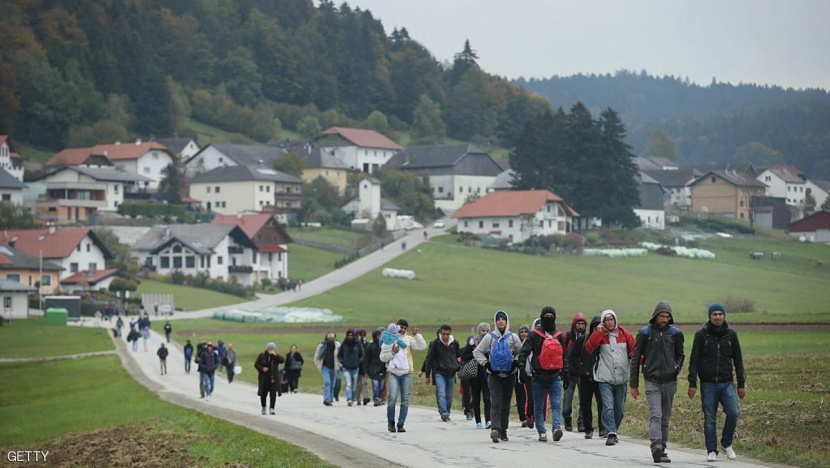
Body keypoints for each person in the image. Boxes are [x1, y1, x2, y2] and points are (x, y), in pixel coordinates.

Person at [688, 302, 746, 462]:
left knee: (733, 413)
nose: (718, 317)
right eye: (715, 314)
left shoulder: (731, 335)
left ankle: (727, 444)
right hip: (708, 384)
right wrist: (692, 383)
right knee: (710, 418)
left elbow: (738, 360)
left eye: (720, 314)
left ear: (724, 316)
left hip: (727, 383)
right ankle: (711, 450)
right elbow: (695, 360)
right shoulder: (701, 335)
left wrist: (741, 384)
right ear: (710, 316)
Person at [630, 301, 685, 464]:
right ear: (655, 316)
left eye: (667, 316)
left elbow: (680, 355)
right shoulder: (645, 333)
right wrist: (633, 384)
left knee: (665, 418)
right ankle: (656, 447)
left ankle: (662, 447)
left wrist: (676, 369)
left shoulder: (675, 333)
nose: (664, 319)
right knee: (656, 414)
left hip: (669, 381)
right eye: (662, 316)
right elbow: (635, 358)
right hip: (651, 380)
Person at [585, 309, 635, 447]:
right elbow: (589, 347)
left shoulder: (624, 334)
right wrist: (597, 332)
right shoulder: (600, 334)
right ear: (603, 322)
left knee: (619, 410)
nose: (610, 322)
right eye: (607, 320)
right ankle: (611, 432)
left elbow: (634, 351)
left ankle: (612, 429)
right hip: (604, 378)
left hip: (622, 378)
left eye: (612, 319)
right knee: (608, 407)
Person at [518, 306, 568, 443]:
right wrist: (565, 374)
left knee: (541, 406)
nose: (549, 318)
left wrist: (522, 370)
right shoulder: (558, 335)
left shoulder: (534, 335)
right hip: (552, 376)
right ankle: (551, 428)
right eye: (547, 316)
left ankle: (546, 431)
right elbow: (565, 357)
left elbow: (523, 353)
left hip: (540, 376)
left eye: (550, 316)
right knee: (553, 405)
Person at [475, 310, 523, 443]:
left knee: (506, 404)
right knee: (495, 402)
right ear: (495, 322)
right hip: (493, 376)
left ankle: (504, 431)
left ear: (507, 321)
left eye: (503, 319)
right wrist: (486, 364)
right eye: (498, 319)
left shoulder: (513, 337)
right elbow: (477, 351)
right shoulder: (489, 337)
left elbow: (521, 352)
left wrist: (515, 363)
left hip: (510, 375)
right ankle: (495, 429)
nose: (501, 321)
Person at [380, 320, 427, 433]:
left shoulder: (409, 340)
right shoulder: (389, 339)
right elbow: (382, 357)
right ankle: (391, 422)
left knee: (405, 400)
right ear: (397, 327)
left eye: (405, 328)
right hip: (393, 373)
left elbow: (422, 346)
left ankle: (401, 424)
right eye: (401, 327)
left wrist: (417, 335)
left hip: (407, 373)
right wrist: (392, 352)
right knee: (392, 398)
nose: (403, 330)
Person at [568, 315, 605, 440]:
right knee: (585, 405)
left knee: (603, 405)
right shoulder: (583, 340)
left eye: (599, 327)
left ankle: (602, 428)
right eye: (595, 327)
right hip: (585, 378)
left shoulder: (605, 341)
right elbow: (572, 356)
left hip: (601, 378)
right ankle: (588, 429)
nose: (597, 329)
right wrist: (580, 370)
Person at [424, 324, 461, 422]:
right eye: (443, 334)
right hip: (439, 372)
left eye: (447, 334)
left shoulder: (455, 343)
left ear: (450, 334)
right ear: (440, 333)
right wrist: (427, 375)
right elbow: (429, 359)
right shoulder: (435, 344)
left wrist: (459, 369)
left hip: (451, 372)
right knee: (441, 393)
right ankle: (443, 412)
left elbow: (458, 357)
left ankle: (447, 412)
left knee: (449, 395)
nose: (445, 336)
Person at [462, 323, 492, 429]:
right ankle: (478, 421)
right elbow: (464, 355)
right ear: (479, 331)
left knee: (487, 398)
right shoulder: (473, 342)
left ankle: (488, 420)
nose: (485, 333)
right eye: (483, 330)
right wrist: (475, 354)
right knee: (476, 398)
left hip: (487, 374)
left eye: (487, 331)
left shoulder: (492, 341)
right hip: (475, 374)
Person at [563, 313, 588, 432]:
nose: (581, 326)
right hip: (569, 373)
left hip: (582, 373)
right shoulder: (566, 337)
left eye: (583, 324)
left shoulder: (587, 338)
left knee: (583, 400)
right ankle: (567, 419)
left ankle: (581, 422)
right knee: (567, 399)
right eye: (579, 323)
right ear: (574, 324)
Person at [255, 342, 285, 415]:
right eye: (270, 349)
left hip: (273, 379)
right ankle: (264, 407)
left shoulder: (276, 357)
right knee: (263, 394)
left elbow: (282, 360)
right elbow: (256, 364)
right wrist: (262, 368)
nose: (271, 350)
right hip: (264, 379)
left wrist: (276, 355)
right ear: (267, 349)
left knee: (273, 394)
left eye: (273, 349)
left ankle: (272, 408)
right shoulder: (262, 355)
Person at [337, 328, 364, 406]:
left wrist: (358, 362)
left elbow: (362, 355)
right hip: (346, 368)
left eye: (351, 335)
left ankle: (352, 398)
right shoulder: (344, 344)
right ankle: (349, 398)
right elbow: (339, 355)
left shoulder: (357, 344)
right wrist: (343, 362)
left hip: (355, 368)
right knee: (348, 383)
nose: (350, 337)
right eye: (348, 335)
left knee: (354, 385)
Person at [314, 331, 341, 406]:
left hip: (334, 366)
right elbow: (317, 355)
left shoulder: (338, 345)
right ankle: (326, 399)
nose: (331, 339)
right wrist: (317, 363)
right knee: (327, 382)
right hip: (325, 366)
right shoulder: (322, 345)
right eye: (329, 338)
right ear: (327, 338)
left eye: (332, 338)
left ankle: (330, 398)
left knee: (332, 383)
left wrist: (339, 364)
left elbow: (341, 355)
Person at [514, 324, 533, 428]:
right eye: (522, 332)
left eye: (526, 332)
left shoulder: (531, 343)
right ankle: (522, 416)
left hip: (529, 373)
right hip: (518, 373)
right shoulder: (517, 344)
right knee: (520, 396)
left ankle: (529, 415)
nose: (524, 334)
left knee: (529, 396)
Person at [365, 328, 386, 406]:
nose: (379, 337)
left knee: (381, 386)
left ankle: (380, 398)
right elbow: (366, 359)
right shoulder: (370, 346)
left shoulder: (384, 346)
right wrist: (366, 371)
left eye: (380, 335)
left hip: (382, 368)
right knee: (376, 385)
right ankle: (376, 398)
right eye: (377, 335)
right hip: (373, 369)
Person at [355, 329, 371, 405]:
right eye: (360, 335)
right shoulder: (355, 345)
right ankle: (358, 398)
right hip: (357, 366)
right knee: (358, 384)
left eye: (363, 335)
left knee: (364, 383)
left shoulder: (367, 344)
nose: (362, 336)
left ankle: (365, 397)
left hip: (364, 367)